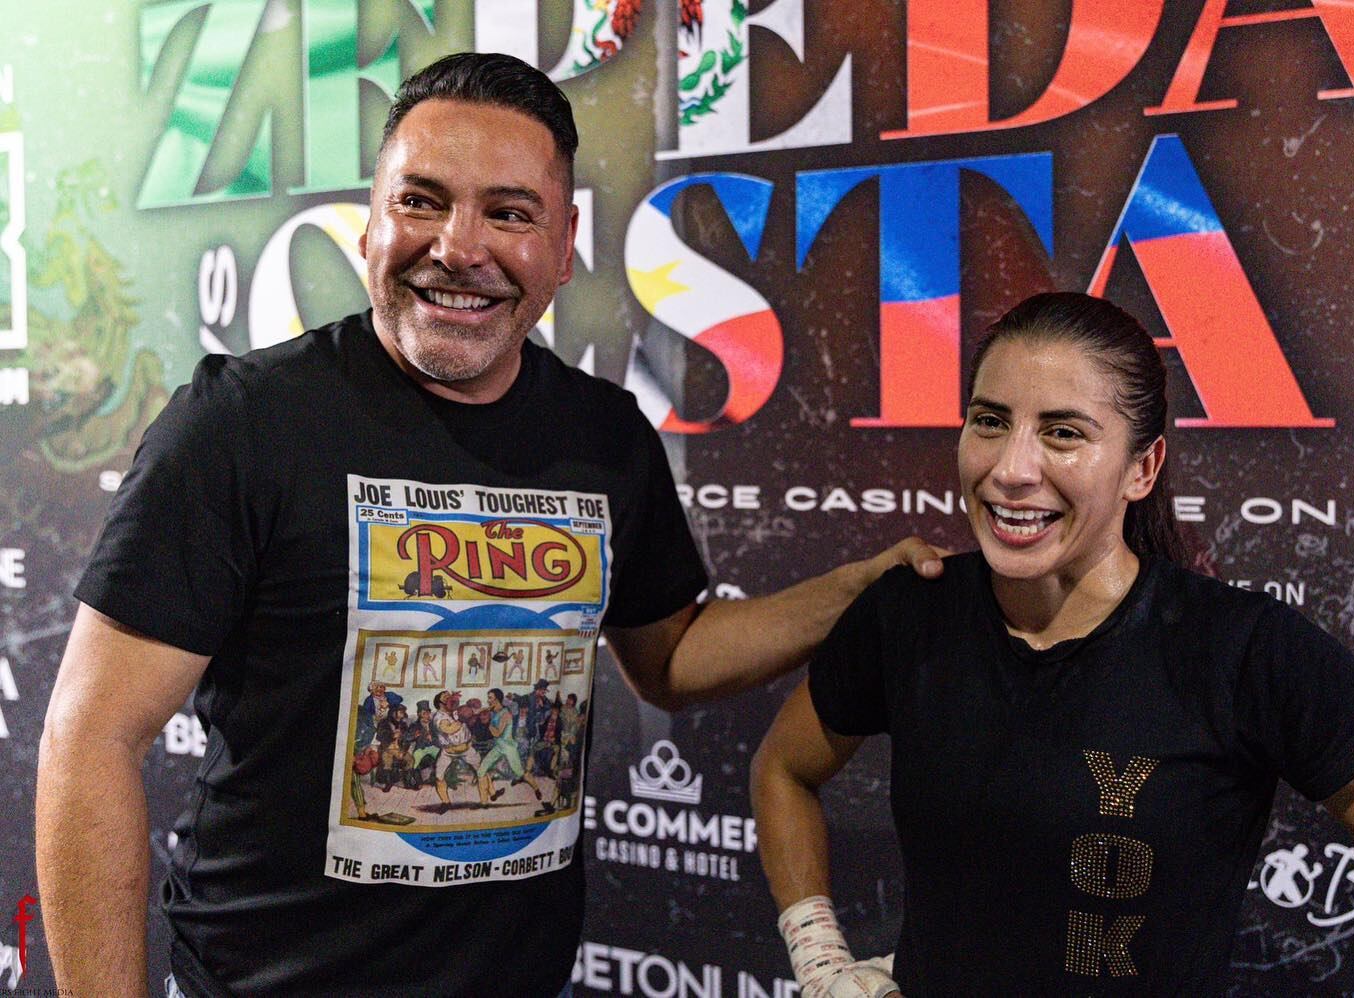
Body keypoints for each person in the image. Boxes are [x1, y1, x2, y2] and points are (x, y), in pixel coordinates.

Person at [34, 52, 945, 998]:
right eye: (420, 201)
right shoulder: (242, 424)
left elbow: (671, 657)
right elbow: (92, 737)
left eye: (508, 213)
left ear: (564, 244)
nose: (458, 248)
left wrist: (856, 589)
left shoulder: (603, 436)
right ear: (371, 220)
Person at [751, 292, 1354, 996]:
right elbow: (784, 769)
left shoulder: (1241, 649)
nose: (1011, 469)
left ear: (1142, 468)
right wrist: (820, 962)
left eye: (1063, 433)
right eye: (990, 422)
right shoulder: (910, 610)